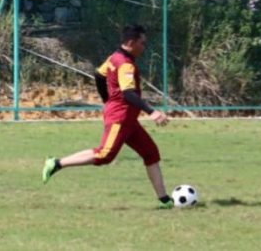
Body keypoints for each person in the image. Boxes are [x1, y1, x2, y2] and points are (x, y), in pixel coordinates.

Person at [41, 24, 174, 208]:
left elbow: (99, 75)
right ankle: (56, 163)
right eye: (142, 43)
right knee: (105, 154)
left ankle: (165, 200)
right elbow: (128, 93)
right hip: (120, 117)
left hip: (127, 118)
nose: (145, 47)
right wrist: (152, 112)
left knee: (151, 153)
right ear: (130, 42)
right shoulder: (126, 64)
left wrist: (107, 99)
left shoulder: (115, 57)